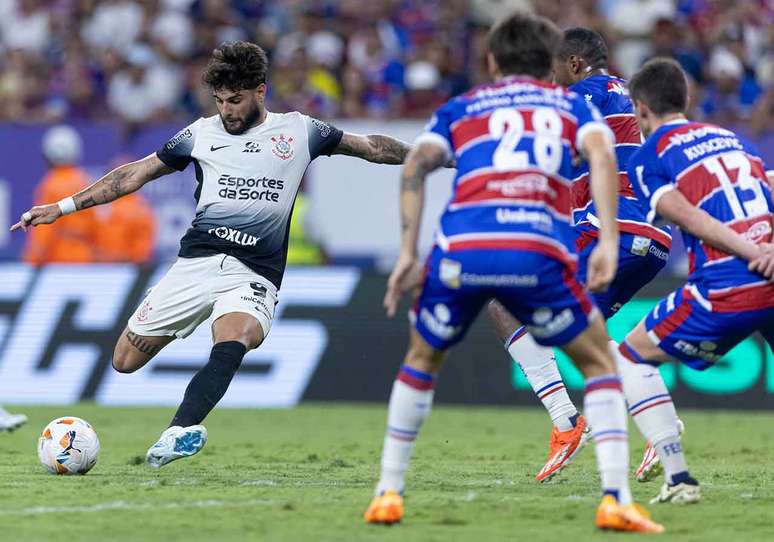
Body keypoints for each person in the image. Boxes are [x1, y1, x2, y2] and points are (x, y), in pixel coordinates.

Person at [12, 41, 414, 468]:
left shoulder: (300, 130)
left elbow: (370, 146)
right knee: (124, 361)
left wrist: (431, 156)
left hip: (253, 273)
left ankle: (176, 432)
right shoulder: (200, 134)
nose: (227, 110)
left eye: (236, 100)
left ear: (260, 91)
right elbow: (135, 174)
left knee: (236, 338)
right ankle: (177, 418)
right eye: (220, 101)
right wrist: (63, 207)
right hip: (195, 266)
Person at [364, 13, 664, 533]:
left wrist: (409, 252)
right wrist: (609, 241)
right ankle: (616, 492)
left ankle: (388, 491)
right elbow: (598, 156)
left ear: (493, 62)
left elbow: (418, 166)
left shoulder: (465, 105)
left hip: (465, 244)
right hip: (543, 242)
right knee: (597, 358)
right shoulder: (571, 105)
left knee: (421, 358)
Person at [487, 28, 675, 483]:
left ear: (573, 64)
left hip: (618, 226)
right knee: (576, 331)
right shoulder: (627, 97)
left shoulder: (586, 94)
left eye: (554, 68)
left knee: (503, 301)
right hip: (654, 237)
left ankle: (568, 421)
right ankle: (650, 426)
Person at [618, 58, 774, 505]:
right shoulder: (732, 139)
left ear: (641, 108)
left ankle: (679, 476)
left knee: (631, 357)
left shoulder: (650, 157)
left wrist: (752, 252)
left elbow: (691, 218)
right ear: (685, 99)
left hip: (729, 284)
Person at [23, 125, 100, 266]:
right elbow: (96, 226)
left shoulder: (51, 184)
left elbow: (43, 229)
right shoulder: (85, 181)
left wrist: (32, 260)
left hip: (57, 260)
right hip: (85, 259)